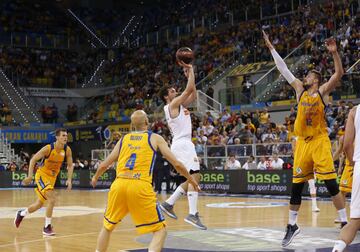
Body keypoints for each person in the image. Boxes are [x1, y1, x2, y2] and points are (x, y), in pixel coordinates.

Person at [263, 30, 346, 247]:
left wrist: (335, 53)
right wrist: (272, 48)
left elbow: (338, 74)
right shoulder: (299, 89)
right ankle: (292, 226)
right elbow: (283, 69)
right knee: (296, 187)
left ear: (316, 80)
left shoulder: (323, 92)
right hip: (302, 143)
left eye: (309, 75)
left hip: (319, 141)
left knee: (330, 183)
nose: (305, 77)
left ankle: (346, 222)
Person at [91, 110, 199, 252]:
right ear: (147, 123)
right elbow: (177, 164)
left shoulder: (124, 140)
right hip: (140, 185)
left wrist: (95, 177)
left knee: (107, 227)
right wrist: (191, 179)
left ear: (131, 125)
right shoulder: (155, 138)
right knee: (160, 230)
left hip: (119, 185)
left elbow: (105, 164)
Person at [158, 60, 206, 230]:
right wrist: (191, 70)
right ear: (166, 96)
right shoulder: (172, 105)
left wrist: (190, 75)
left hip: (184, 143)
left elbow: (193, 93)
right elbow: (187, 90)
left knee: (193, 178)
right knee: (195, 176)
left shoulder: (179, 105)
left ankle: (168, 204)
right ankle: (192, 214)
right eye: (171, 91)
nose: (174, 91)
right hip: (182, 144)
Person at [14, 128, 73, 236]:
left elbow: (70, 165)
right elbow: (33, 160)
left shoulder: (67, 150)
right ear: (57, 137)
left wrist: (69, 179)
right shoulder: (48, 148)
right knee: (52, 199)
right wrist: (30, 176)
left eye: (66, 136)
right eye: (63, 135)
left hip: (52, 178)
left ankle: (21, 213)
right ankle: (47, 227)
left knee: (39, 204)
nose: (65, 137)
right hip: (42, 175)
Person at [333, 106, 359, 251]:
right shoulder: (343, 136)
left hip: (356, 166)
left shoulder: (355, 111)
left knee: (354, 221)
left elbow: (347, 147)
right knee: (341, 191)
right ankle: (343, 216)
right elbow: (341, 151)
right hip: (350, 166)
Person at [333, 134, 354, 220]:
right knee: (342, 191)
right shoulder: (343, 138)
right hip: (348, 167)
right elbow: (340, 154)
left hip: (354, 166)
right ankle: (342, 216)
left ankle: (354, 217)